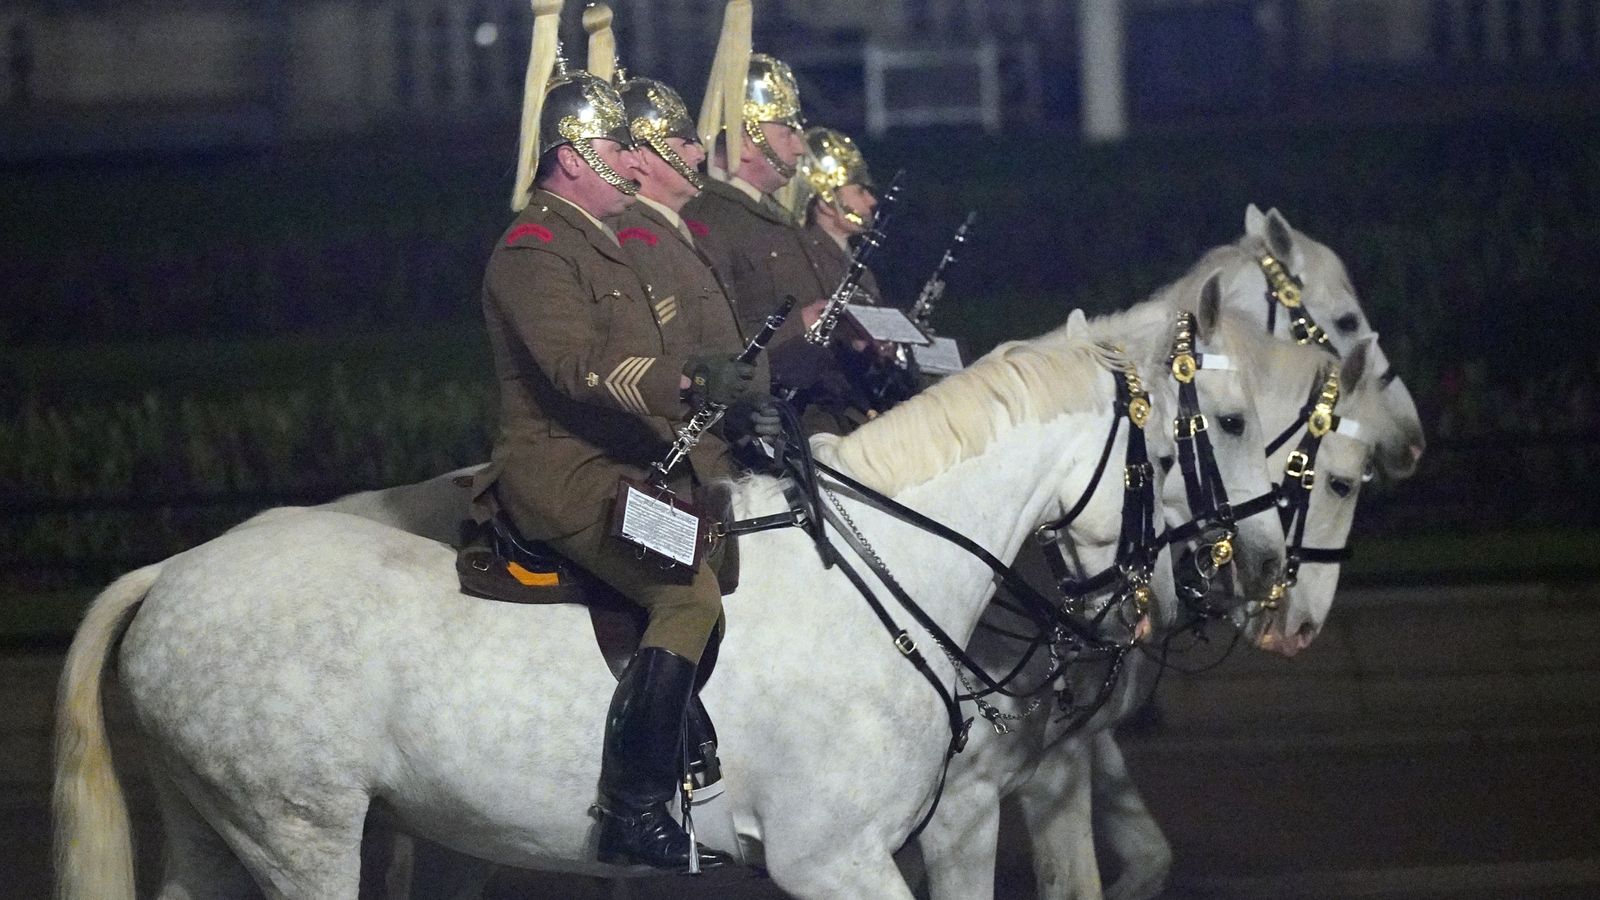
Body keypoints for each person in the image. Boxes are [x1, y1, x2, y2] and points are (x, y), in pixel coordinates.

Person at [469, 0, 739, 872]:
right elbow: (576, 366)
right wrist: (684, 380)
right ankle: (630, 808)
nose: (632, 164)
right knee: (689, 595)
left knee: (721, 555)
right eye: (617, 151)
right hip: (566, 477)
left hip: (622, 464)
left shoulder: (602, 241)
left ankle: (684, 749)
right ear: (573, 158)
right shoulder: (535, 248)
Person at [681, 2, 877, 434]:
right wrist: (801, 323)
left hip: (820, 416)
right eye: (787, 132)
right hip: (768, 426)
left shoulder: (772, 216)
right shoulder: (708, 218)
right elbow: (707, 342)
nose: (800, 147)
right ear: (748, 144)